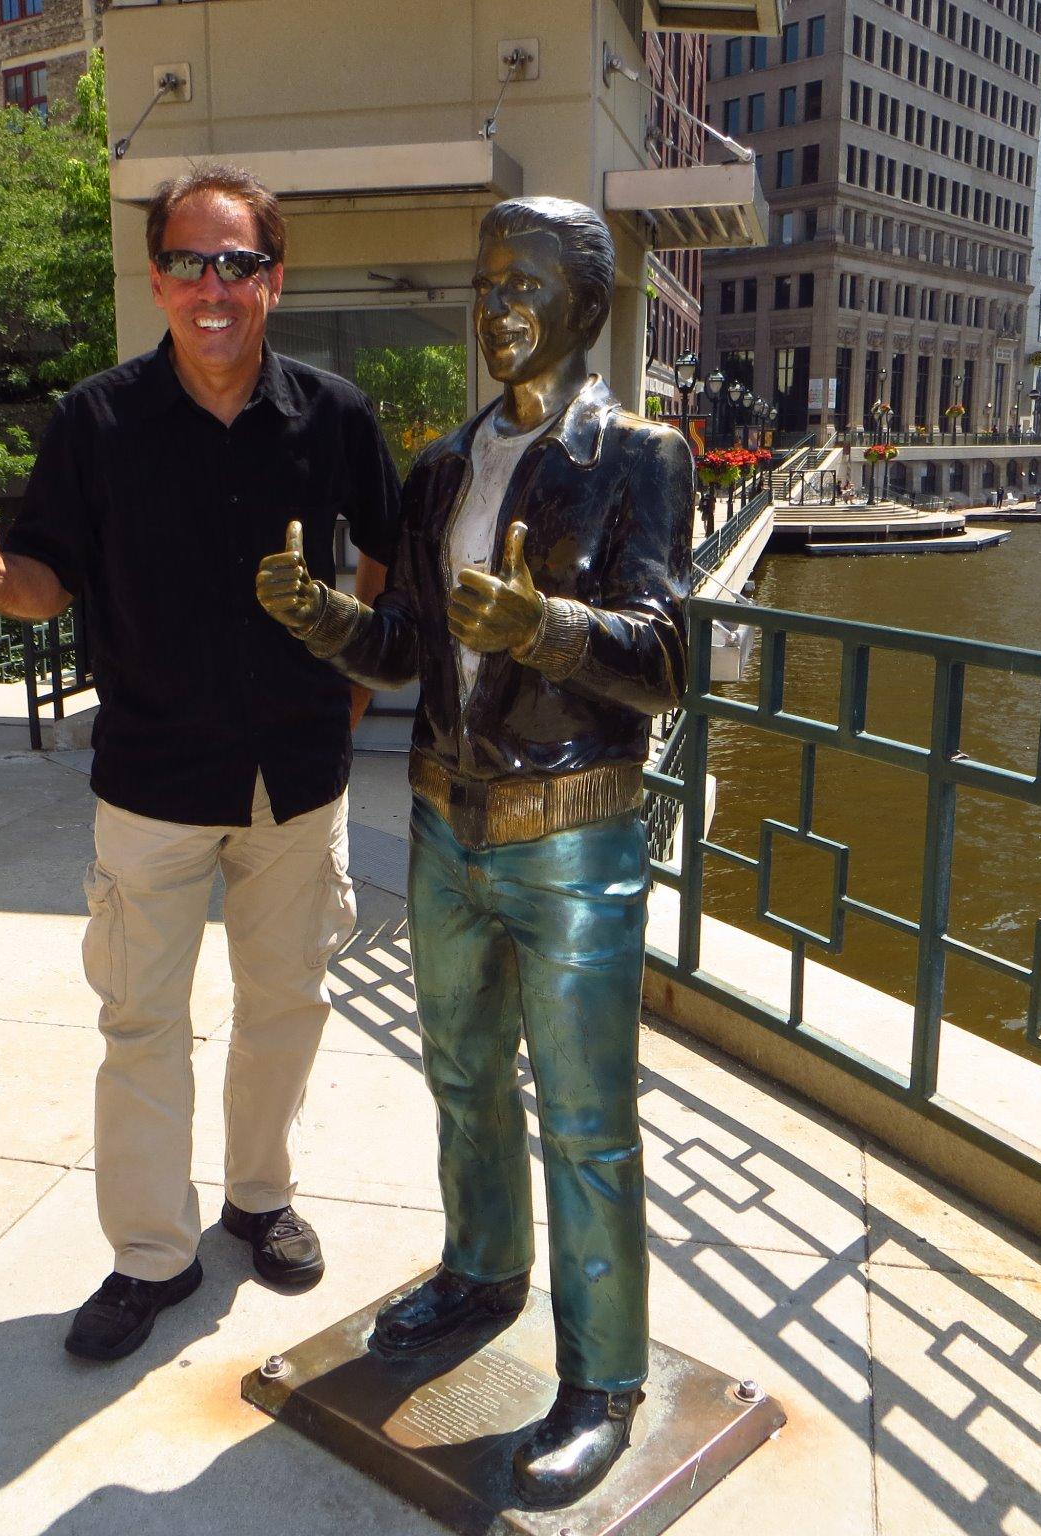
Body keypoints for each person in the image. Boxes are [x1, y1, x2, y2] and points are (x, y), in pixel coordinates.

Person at [256, 196, 691, 1510]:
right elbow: (407, 648)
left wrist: (547, 626)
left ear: (590, 304)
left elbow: (668, 662)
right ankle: (482, 1271)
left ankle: (603, 1379)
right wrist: (329, 619)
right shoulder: (441, 464)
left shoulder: (640, 456)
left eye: (533, 282)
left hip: (572, 840)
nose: (502, 304)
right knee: (460, 1080)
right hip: (445, 821)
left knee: (587, 1126)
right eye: (487, 281)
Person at [0, 163, 401, 1362]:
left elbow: (389, 560)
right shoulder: (96, 421)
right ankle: (152, 1254)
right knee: (141, 1022)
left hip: (298, 776)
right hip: (149, 777)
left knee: (286, 1004)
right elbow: (47, 576)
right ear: (157, 279)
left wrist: (350, 680)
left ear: (272, 280)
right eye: (190, 263)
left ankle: (260, 1197)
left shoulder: (334, 416)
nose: (214, 287)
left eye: (237, 263)